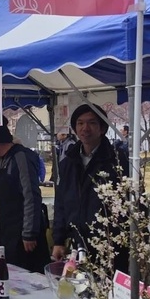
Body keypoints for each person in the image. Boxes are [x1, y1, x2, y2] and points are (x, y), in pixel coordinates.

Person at [52, 103, 129, 274]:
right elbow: (61, 204)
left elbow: (130, 204)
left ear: (102, 128)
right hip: (76, 244)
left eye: (92, 123)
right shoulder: (68, 163)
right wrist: (58, 240)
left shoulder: (118, 162)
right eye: (80, 123)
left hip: (109, 246)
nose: (85, 128)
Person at [0, 117, 50, 272]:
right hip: (9, 231)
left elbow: (31, 195)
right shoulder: (3, 160)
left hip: (23, 235)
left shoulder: (21, 157)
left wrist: (29, 233)